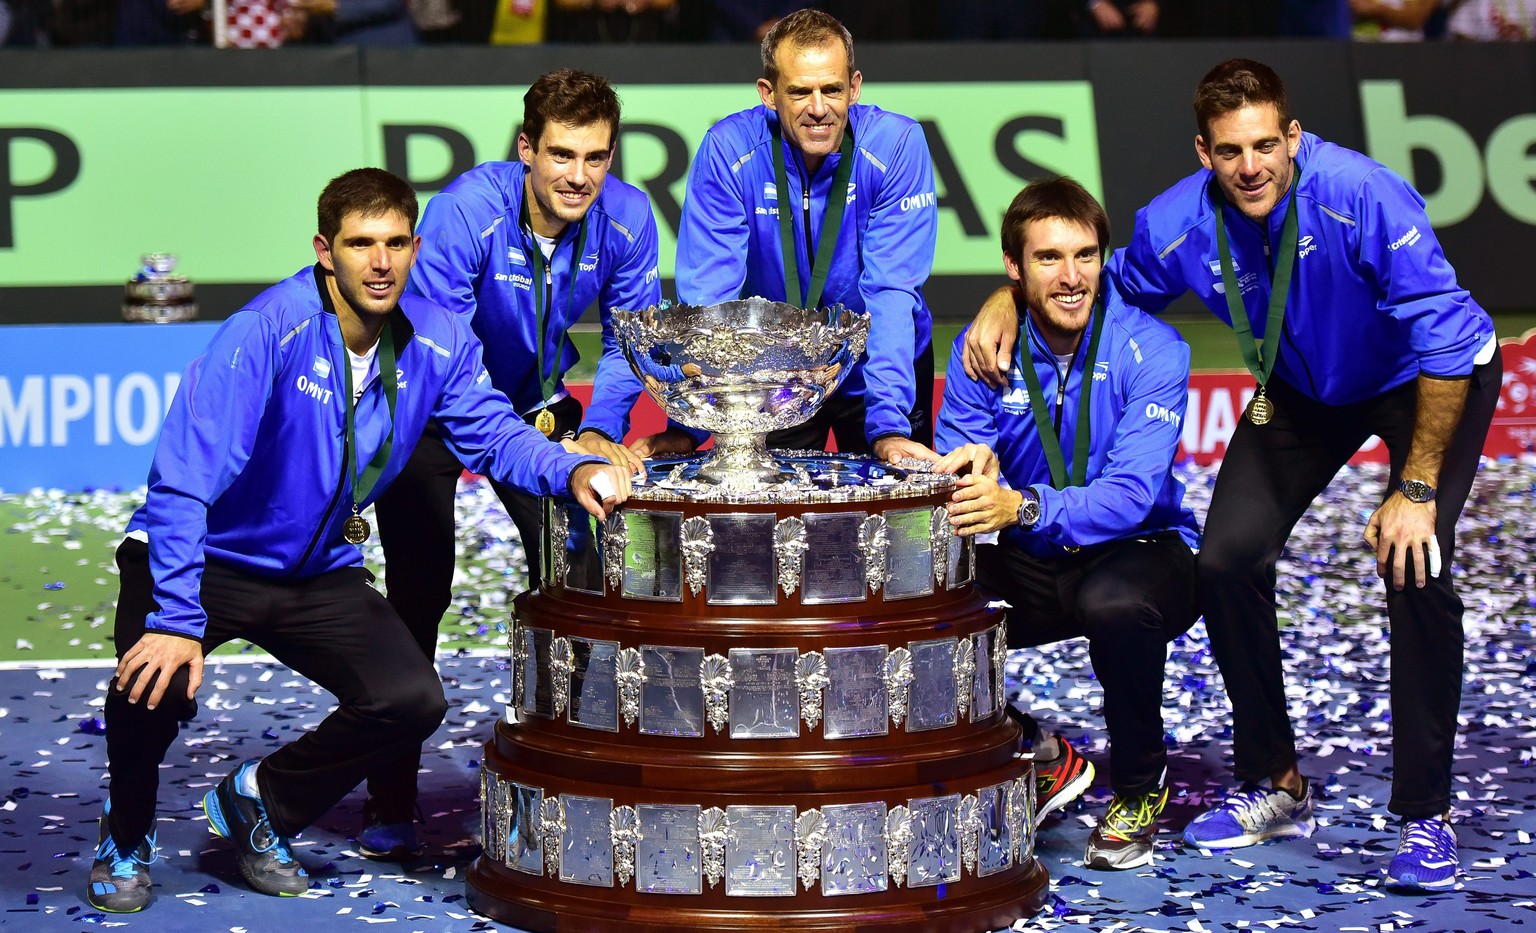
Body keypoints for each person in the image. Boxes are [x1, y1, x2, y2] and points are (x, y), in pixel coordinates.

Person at [960, 59, 1502, 891]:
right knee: (1224, 558)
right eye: (1227, 151)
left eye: (1263, 145)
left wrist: (1417, 490)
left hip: (1423, 379)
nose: (1249, 167)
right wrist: (1004, 299)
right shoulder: (1180, 220)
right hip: (1303, 389)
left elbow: (1443, 336)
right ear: (1202, 152)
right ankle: (1275, 781)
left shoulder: (1364, 195)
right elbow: (1090, 285)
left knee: (1412, 563)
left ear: (1291, 137)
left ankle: (1425, 815)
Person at [85, 167, 630, 914]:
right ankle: (126, 835)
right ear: (324, 250)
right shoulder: (266, 331)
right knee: (149, 685)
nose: (381, 261)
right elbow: (183, 480)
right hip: (205, 557)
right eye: (361, 242)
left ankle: (260, 803)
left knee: (409, 698)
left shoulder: (437, 336)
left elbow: (494, 431)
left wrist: (570, 469)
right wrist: (177, 618)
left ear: (415, 244)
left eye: (397, 241)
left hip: (314, 573)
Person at [367, 68, 659, 860]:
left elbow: (631, 341)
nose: (579, 177)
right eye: (562, 155)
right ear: (527, 148)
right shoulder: (466, 212)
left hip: (537, 404)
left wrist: (596, 431)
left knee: (582, 575)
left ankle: (564, 780)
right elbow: (447, 364)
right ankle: (390, 801)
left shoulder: (629, 219)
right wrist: (538, 451)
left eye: (597, 158)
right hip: (433, 406)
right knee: (419, 591)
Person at [934, 176, 1200, 871]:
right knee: (921, 606)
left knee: (1112, 602)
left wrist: (1019, 503)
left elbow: (1132, 496)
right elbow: (958, 466)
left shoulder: (1156, 350)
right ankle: (1039, 750)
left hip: (1141, 551)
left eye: (1085, 255)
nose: (1072, 276)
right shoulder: (982, 350)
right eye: (1049, 258)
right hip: (1035, 552)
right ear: (1014, 269)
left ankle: (1140, 786)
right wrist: (967, 472)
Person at [643, 8, 937, 463]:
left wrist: (888, 427)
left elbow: (892, 292)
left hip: (878, 369)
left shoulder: (897, 146)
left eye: (832, 89)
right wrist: (690, 423)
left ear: (854, 87)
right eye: (800, 91)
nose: (818, 109)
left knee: (897, 524)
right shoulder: (728, 151)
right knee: (772, 528)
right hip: (775, 375)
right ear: (769, 93)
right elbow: (708, 299)